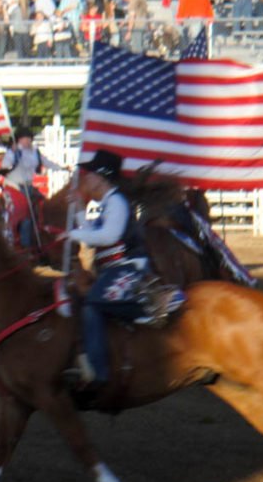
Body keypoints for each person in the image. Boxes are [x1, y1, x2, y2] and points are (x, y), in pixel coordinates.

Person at [63, 150, 178, 389]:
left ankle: (150, 304)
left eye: (90, 174)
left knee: (94, 301)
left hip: (128, 267)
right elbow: (94, 236)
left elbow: (109, 236)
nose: (86, 179)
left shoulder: (116, 202)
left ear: (102, 177)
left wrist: (72, 233)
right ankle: (98, 371)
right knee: (90, 306)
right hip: (114, 269)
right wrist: (78, 209)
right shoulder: (109, 203)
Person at [0, 126, 65, 250]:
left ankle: (39, 240)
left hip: (29, 186)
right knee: (23, 213)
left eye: (29, 138)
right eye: (24, 138)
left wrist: (62, 168)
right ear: (18, 140)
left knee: (42, 208)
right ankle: (22, 245)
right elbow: (5, 167)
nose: (27, 141)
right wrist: (12, 159)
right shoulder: (12, 152)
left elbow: (47, 162)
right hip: (14, 186)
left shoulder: (35, 152)